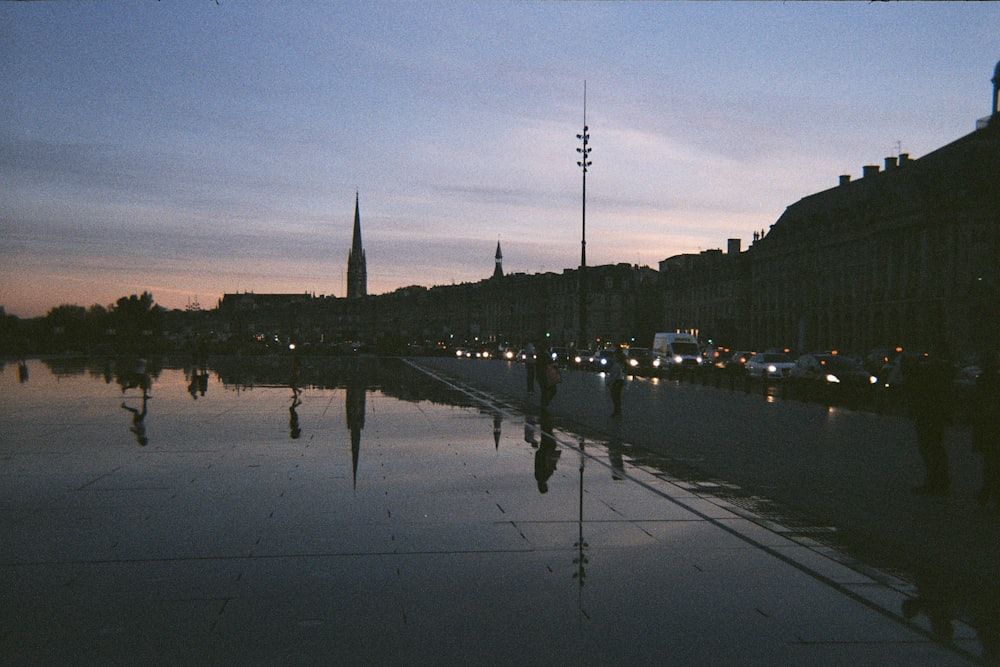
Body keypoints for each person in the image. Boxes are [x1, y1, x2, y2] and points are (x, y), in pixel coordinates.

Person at [905, 351, 954, 495]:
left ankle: (934, 481)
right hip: (934, 415)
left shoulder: (926, 378)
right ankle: (940, 480)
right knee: (936, 448)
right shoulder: (940, 377)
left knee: (929, 448)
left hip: (928, 415)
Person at [972, 351, 1000, 513]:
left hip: (989, 423)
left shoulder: (986, 378)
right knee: (993, 461)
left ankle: (989, 491)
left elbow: (980, 401)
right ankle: (990, 492)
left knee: (991, 461)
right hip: (990, 422)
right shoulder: (991, 377)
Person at [606, 350, 625, 417]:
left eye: (614, 357)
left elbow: (614, 376)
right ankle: (617, 411)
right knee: (617, 398)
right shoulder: (619, 366)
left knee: (615, 397)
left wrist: (609, 383)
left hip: (617, 382)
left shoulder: (616, 366)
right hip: (619, 382)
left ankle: (617, 412)